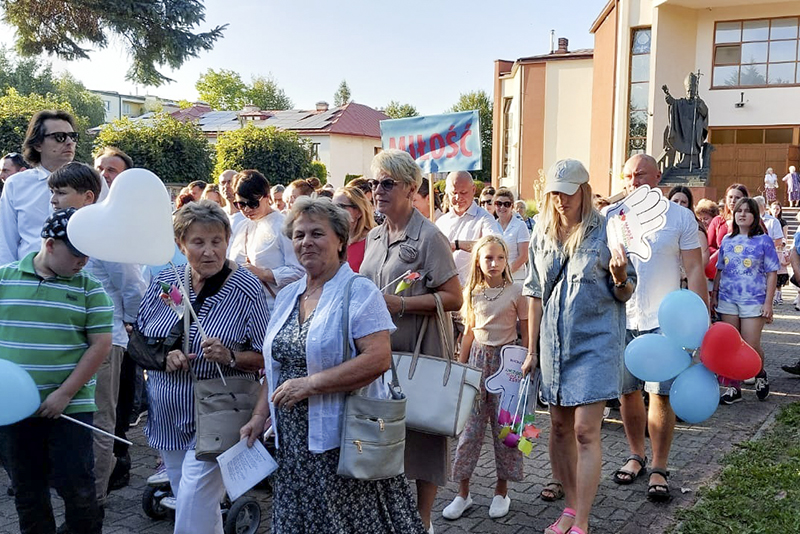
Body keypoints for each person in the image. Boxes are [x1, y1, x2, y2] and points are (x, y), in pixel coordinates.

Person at [239, 196, 427, 534]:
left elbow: (377, 359)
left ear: (340, 240)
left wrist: (310, 385)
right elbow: (277, 364)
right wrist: (258, 416)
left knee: (348, 522)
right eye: (298, 235)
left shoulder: (358, 291)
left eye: (316, 234)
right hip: (294, 444)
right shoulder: (287, 295)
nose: (306, 242)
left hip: (344, 440)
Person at [136, 200, 269, 534]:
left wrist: (231, 356)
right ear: (182, 244)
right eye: (198, 242)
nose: (209, 251)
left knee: (194, 496)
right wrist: (164, 358)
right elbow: (138, 338)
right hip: (169, 410)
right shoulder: (166, 281)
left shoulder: (245, 287)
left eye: (217, 241)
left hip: (219, 411)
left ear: (228, 241)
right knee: (192, 497)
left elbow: (268, 354)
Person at [521, 159, 635, 534]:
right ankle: (570, 507)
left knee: (586, 429)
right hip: (553, 342)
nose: (559, 201)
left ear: (584, 190)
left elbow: (626, 291)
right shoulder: (542, 231)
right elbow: (535, 292)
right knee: (558, 427)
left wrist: (619, 278)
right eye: (554, 193)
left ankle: (582, 522)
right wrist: (532, 349)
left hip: (596, 340)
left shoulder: (609, 231)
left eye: (567, 193)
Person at [360, 149, 463, 534]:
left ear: (411, 187)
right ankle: (388, 512)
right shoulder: (374, 234)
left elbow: (454, 298)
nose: (378, 191)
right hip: (380, 350)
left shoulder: (430, 236)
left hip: (420, 348)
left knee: (423, 431)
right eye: (374, 183)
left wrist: (400, 303)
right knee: (383, 430)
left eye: (387, 183)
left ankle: (422, 520)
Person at [0, 208, 113, 534]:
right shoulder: (5, 278)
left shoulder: (90, 288)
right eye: (76, 254)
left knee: (77, 486)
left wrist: (64, 394)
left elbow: (100, 345)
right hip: (13, 409)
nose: (84, 262)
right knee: (27, 488)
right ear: (49, 244)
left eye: (88, 254)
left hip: (70, 407)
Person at [48, 163, 147, 510]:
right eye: (52, 193)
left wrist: (132, 323)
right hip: (66, 342)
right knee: (70, 420)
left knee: (97, 421)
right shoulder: (62, 231)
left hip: (105, 341)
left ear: (88, 197)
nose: (54, 201)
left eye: (61, 193)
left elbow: (133, 285)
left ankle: (93, 502)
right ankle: (72, 494)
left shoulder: (108, 235)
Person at [614, 154, 708, 504]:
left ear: (657, 176)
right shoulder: (613, 217)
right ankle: (636, 454)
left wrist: (701, 323)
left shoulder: (680, 217)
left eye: (639, 175)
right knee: (626, 392)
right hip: (623, 318)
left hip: (664, 322)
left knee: (661, 394)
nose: (633, 181)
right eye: (627, 176)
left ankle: (659, 465)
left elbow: (695, 269)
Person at [443, 235, 528, 522]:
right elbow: (468, 331)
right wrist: (461, 365)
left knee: (507, 430)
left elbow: (526, 332)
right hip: (478, 361)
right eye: (488, 258)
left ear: (507, 261)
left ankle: (501, 491)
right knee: (470, 430)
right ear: (478, 260)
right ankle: (463, 493)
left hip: (508, 362)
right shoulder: (472, 292)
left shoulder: (517, 291)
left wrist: (528, 359)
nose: (494, 263)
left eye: (500, 258)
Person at [712, 197, 778, 404]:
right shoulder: (727, 241)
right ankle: (734, 388)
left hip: (754, 300)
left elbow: (771, 273)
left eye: (747, 211)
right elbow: (719, 270)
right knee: (732, 344)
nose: (742, 214)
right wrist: (714, 294)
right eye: (738, 210)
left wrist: (768, 303)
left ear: (755, 216)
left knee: (750, 345)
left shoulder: (763, 241)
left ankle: (759, 374)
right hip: (728, 299)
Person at [0, 110, 77, 265]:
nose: (69, 142)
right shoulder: (16, 184)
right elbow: (5, 241)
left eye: (73, 136)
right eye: (60, 137)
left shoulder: (94, 181)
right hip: (28, 279)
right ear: (37, 144)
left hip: (79, 281)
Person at [227, 170, 304, 312]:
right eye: (240, 204)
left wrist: (264, 274)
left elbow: (300, 271)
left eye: (253, 203)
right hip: (243, 309)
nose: (247, 209)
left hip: (275, 309)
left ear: (267, 196)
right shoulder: (241, 226)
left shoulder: (285, 225)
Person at [436, 171, 502, 285]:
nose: (458, 197)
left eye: (463, 192)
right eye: (453, 193)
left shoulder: (484, 218)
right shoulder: (441, 222)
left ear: (473, 190)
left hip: (474, 290)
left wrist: (457, 245)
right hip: (445, 289)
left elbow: (494, 244)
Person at [669, 186, 710, 284]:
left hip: (687, 280)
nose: (679, 205)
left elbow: (704, 256)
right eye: (675, 201)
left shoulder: (696, 227)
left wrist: (687, 274)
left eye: (683, 202)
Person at [332, 186, 375, 272]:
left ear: (359, 212)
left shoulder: (373, 241)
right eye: (332, 207)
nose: (334, 211)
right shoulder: (332, 240)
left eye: (340, 206)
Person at [493, 188, 530, 280]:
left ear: (512, 207)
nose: (502, 207)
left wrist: (506, 272)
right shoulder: (491, 226)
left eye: (506, 204)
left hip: (516, 278)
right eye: (499, 204)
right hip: (496, 278)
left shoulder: (520, 225)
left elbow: (524, 256)